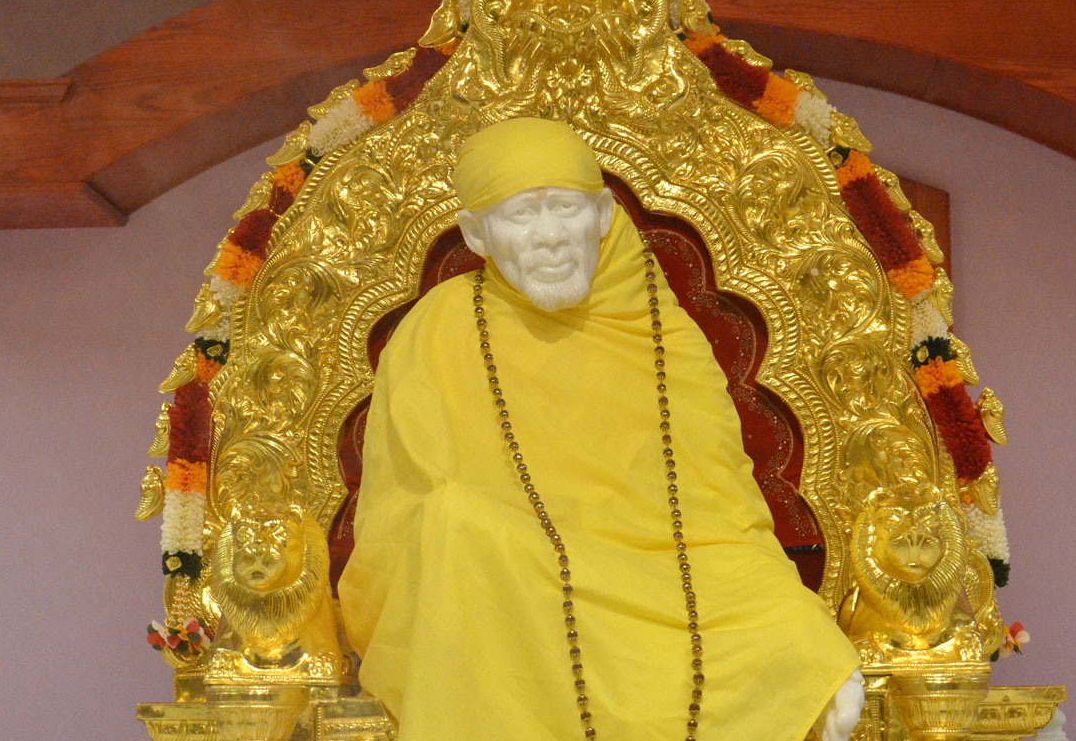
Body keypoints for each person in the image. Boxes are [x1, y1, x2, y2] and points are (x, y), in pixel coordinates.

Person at [338, 117, 862, 741]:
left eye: (565, 208)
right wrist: (521, 547)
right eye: (521, 215)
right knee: (456, 523)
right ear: (477, 235)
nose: (550, 237)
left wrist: (801, 631)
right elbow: (405, 519)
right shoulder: (438, 330)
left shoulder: (662, 333)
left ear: (603, 215)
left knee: (801, 653)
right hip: (513, 593)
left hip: (669, 585)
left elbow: (723, 515)